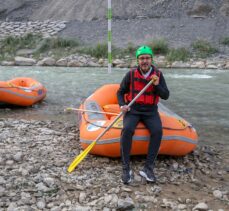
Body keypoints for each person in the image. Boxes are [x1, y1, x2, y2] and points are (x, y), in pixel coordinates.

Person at [117, 45, 170, 184]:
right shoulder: (130, 74)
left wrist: (158, 85)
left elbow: (166, 95)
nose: (144, 61)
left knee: (157, 131)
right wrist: (122, 104)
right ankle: (126, 167)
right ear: (137, 60)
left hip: (150, 111)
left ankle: (148, 168)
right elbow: (120, 92)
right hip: (133, 109)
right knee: (127, 130)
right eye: (142, 58)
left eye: (147, 58)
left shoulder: (158, 75)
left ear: (151, 59)